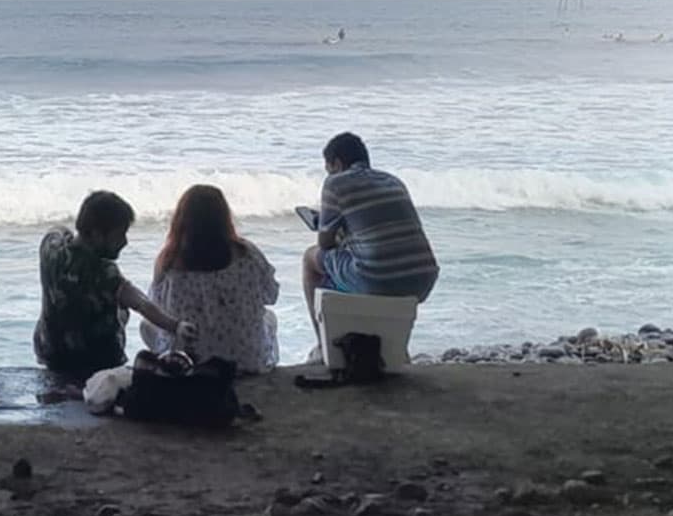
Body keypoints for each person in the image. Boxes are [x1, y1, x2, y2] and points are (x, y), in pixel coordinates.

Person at [36, 190, 196, 390]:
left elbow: (57, 230)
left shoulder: (51, 248)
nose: (125, 242)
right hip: (98, 363)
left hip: (53, 354)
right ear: (96, 234)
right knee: (121, 308)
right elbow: (141, 303)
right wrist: (176, 325)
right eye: (119, 234)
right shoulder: (105, 273)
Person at [302, 133, 440, 361]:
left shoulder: (335, 183)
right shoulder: (393, 180)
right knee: (365, 264)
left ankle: (322, 346)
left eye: (328, 168)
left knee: (310, 259)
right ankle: (394, 346)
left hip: (378, 279)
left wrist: (333, 231)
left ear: (336, 163)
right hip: (422, 279)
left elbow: (324, 244)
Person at [141, 184, 279, 374]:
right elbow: (271, 295)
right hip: (245, 360)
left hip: (190, 363)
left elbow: (157, 309)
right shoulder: (247, 253)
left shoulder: (169, 261)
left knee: (146, 325)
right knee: (269, 318)